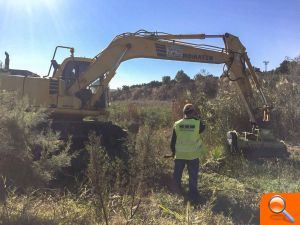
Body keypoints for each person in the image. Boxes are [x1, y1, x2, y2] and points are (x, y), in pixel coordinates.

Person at [170, 103, 205, 198]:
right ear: (193, 112)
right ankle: (193, 194)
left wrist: (173, 152)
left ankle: (176, 192)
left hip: (180, 155)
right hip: (193, 155)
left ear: (183, 112)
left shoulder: (177, 124)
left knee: (177, 175)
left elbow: (173, 141)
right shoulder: (198, 123)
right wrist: (196, 118)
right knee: (193, 176)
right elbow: (203, 127)